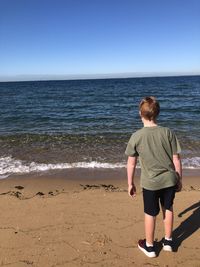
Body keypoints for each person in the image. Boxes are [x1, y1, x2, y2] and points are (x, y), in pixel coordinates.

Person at [125, 96, 182, 258]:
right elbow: (176, 158)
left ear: (140, 114)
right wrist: (179, 178)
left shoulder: (136, 136)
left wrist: (130, 183)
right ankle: (168, 241)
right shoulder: (168, 132)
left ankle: (149, 246)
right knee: (168, 208)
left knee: (150, 213)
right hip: (169, 180)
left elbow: (131, 163)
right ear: (158, 113)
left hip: (150, 182)